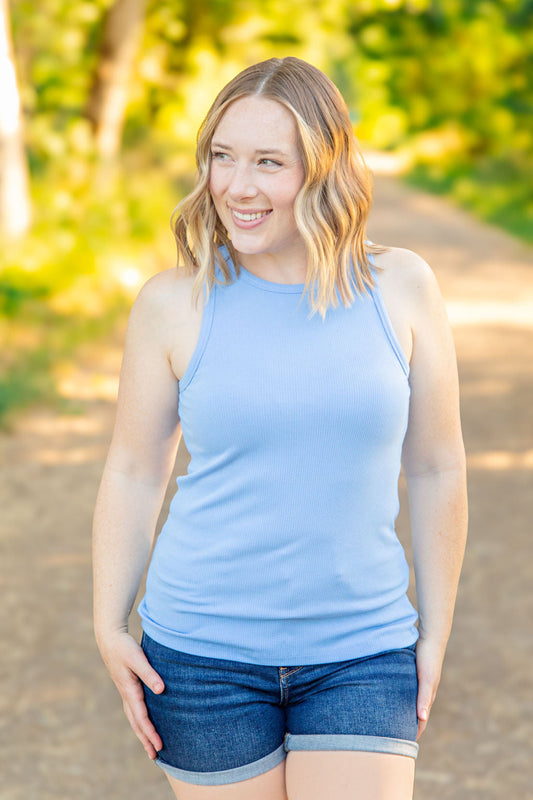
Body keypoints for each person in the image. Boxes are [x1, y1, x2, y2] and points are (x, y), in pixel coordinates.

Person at [92, 56, 468, 800]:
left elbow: (436, 467)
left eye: (269, 162)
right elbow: (135, 470)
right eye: (221, 157)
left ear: (323, 167)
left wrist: (435, 630)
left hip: (361, 651)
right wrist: (108, 624)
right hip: (200, 657)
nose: (236, 186)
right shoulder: (173, 303)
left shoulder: (401, 287)